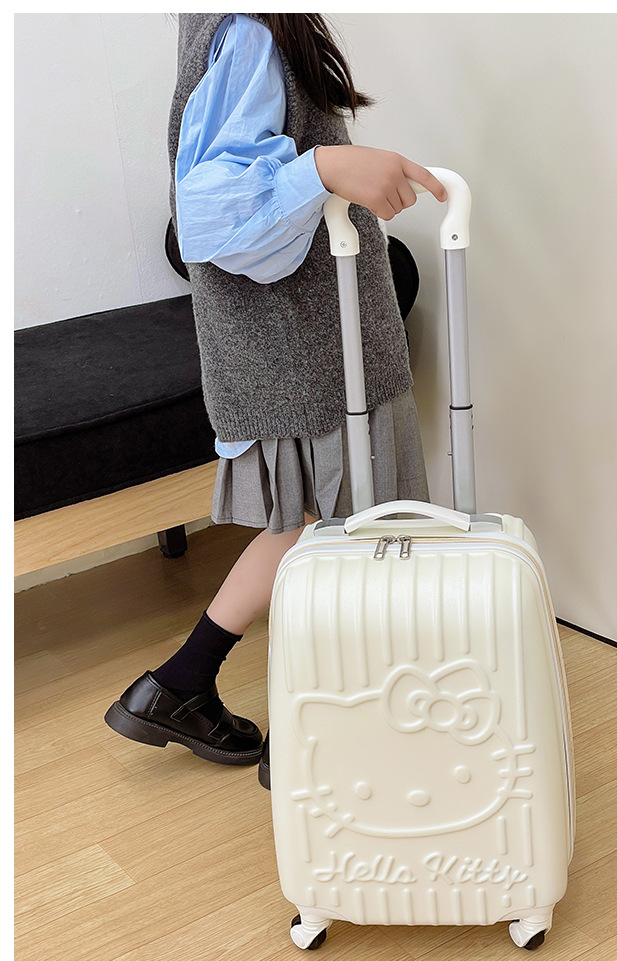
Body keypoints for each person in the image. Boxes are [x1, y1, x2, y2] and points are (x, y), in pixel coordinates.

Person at [104, 13, 446, 787]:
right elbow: (208, 212)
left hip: (306, 346)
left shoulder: (234, 28)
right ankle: (311, 732)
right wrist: (322, 165)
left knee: (309, 525)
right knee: (350, 537)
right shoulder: (250, 31)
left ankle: (181, 685)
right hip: (312, 352)